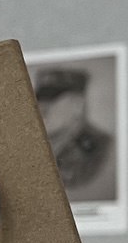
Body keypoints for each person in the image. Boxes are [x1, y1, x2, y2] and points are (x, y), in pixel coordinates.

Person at [33, 67, 116, 202]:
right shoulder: (33, 146)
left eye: (52, 100)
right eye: (39, 99)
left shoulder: (100, 149)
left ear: (77, 105)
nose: (40, 107)